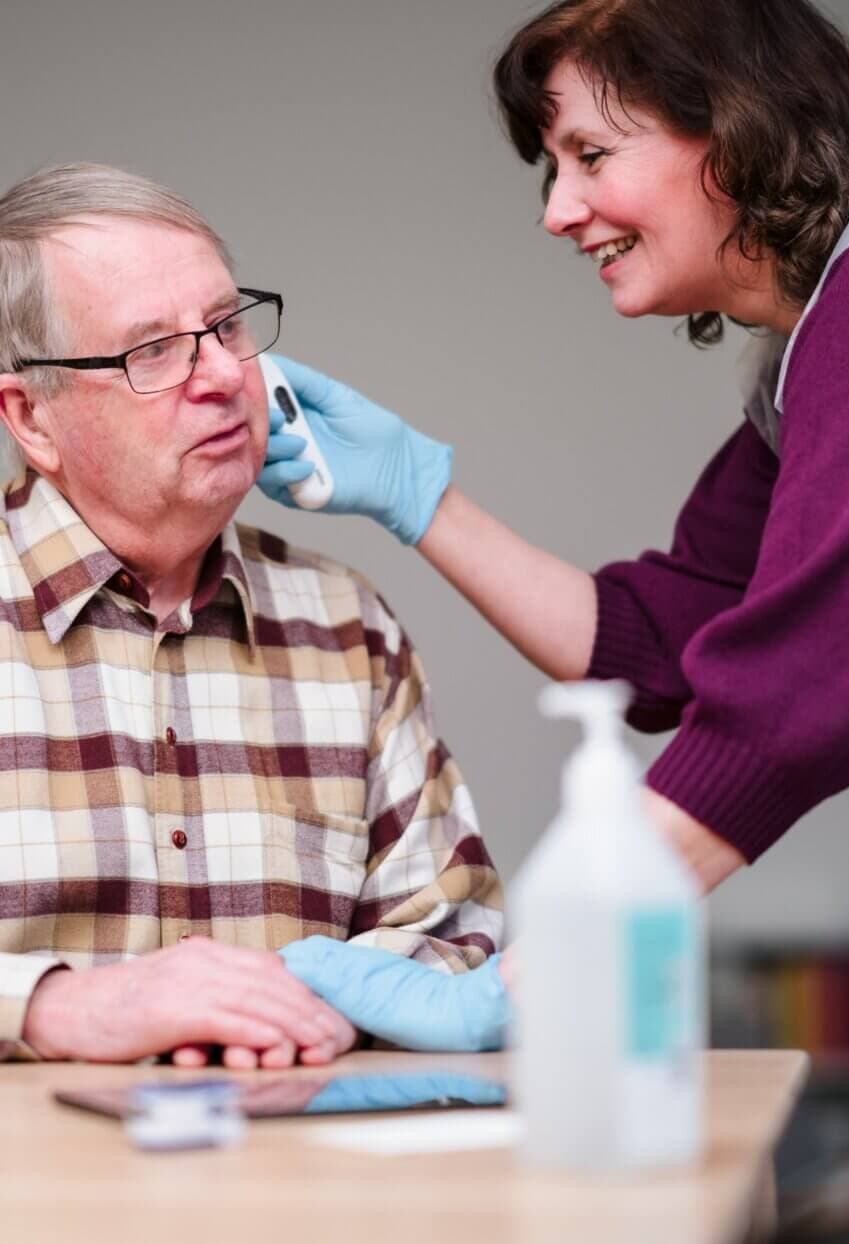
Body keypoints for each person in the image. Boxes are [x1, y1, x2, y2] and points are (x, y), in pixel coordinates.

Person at [258, 0, 849, 1050]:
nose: (558, 211)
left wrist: (539, 973)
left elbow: (803, 689)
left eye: (591, 154)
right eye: (551, 169)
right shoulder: (819, 346)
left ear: (739, 128)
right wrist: (420, 499)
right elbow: (666, 644)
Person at [0, 163, 502, 1066]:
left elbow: (455, 931)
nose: (226, 375)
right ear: (30, 417)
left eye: (227, 325)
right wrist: (58, 1009)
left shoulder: (348, 625)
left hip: (291, 1189)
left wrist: (308, 1015)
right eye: (152, 350)